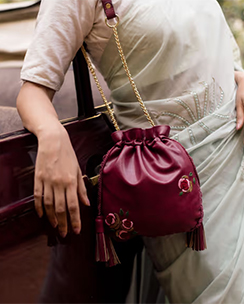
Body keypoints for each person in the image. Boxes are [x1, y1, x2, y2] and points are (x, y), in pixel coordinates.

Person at [17, 0, 244, 303]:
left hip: (235, 142)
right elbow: (33, 91)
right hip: (175, 178)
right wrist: (50, 132)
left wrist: (238, 76)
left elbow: (212, 45)